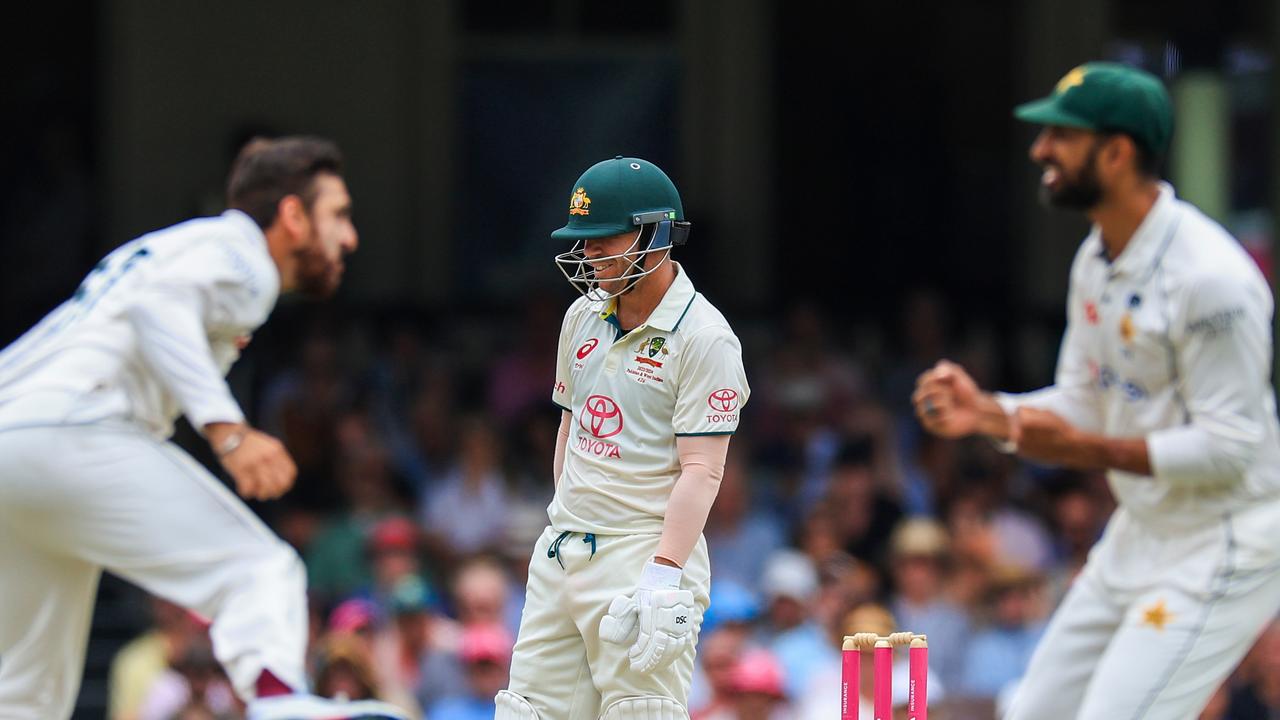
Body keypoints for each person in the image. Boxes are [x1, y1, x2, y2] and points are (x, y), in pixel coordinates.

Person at [913, 62, 1280, 719]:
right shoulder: (1095, 257)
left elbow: (1230, 448)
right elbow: (1081, 400)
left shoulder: (1212, 279)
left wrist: (1086, 447)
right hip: (1142, 528)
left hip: (1226, 539)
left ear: (1116, 152)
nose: (1040, 151)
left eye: (1062, 136)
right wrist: (990, 414)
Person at [0, 136, 407, 720]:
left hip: (13, 447)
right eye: (338, 215)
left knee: (27, 693)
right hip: (72, 431)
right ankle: (279, 703)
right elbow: (155, 306)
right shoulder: (242, 255)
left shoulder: (190, 247)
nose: (350, 237)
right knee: (260, 572)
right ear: (292, 216)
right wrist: (229, 431)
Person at [495, 156, 750, 719]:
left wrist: (663, 576)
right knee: (526, 712)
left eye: (603, 242)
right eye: (582, 243)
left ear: (656, 233)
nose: (588, 256)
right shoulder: (581, 316)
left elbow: (702, 471)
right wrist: (562, 516)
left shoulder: (705, 338)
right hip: (565, 548)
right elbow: (571, 424)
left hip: (641, 551)